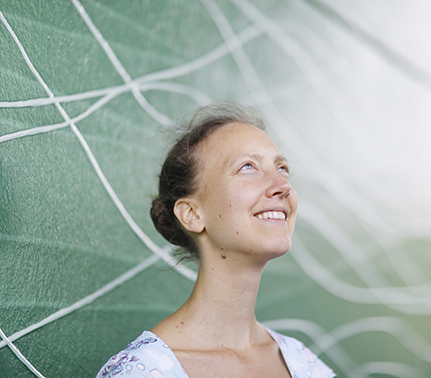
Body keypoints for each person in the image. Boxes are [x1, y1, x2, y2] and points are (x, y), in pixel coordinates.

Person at [96, 102, 335, 378]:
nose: (283, 186)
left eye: (282, 168)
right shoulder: (140, 372)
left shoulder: (304, 364)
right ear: (192, 214)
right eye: (248, 167)